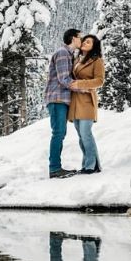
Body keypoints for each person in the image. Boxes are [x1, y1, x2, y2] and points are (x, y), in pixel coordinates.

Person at [44, 28, 83, 178]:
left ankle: (55, 167)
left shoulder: (68, 54)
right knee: (58, 132)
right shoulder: (62, 53)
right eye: (80, 37)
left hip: (61, 99)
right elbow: (63, 79)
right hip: (57, 98)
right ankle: (54, 169)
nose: (81, 40)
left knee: (60, 132)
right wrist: (83, 87)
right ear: (73, 38)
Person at [68, 34, 105, 174]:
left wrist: (80, 83)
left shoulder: (97, 61)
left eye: (88, 42)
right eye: (84, 41)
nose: (84, 43)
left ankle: (91, 166)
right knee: (81, 136)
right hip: (76, 101)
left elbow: (99, 81)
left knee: (86, 133)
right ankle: (89, 164)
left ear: (93, 46)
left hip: (87, 100)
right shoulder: (77, 59)